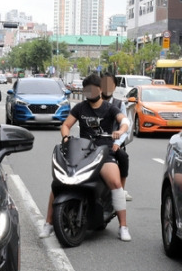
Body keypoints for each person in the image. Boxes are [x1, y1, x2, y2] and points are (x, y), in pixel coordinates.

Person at [40, 73, 132, 241]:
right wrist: (66, 137)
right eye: (86, 90)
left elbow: (124, 120)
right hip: (82, 151)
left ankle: (123, 226)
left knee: (116, 183)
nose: (89, 93)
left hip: (104, 152)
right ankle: (48, 223)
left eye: (92, 89)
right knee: (59, 183)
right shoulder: (80, 108)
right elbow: (66, 125)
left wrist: (120, 131)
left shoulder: (110, 108)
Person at [101, 72, 132, 201]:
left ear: (115, 87)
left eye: (110, 85)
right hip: (94, 142)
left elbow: (125, 126)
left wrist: (117, 142)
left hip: (113, 143)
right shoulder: (91, 103)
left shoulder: (119, 105)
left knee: (123, 157)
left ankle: (121, 190)